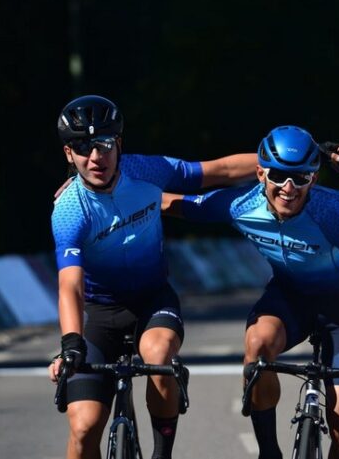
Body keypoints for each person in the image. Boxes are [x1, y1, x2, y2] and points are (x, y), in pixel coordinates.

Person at [48, 95, 271, 459]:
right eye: (83, 148)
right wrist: (71, 342)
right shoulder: (69, 210)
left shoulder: (146, 170)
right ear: (69, 154)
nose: (96, 157)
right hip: (100, 313)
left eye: (104, 144)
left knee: (159, 354)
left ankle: (161, 454)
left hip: (153, 300)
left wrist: (287, 162)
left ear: (119, 144)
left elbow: (220, 170)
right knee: (84, 427)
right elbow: (69, 284)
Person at [157, 126, 339, 459]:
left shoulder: (333, 210)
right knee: (257, 346)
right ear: (260, 174)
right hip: (289, 298)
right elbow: (168, 203)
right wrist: (108, 189)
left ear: (313, 179)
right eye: (279, 176)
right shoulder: (240, 204)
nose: (288, 188)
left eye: (300, 178)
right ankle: (269, 452)